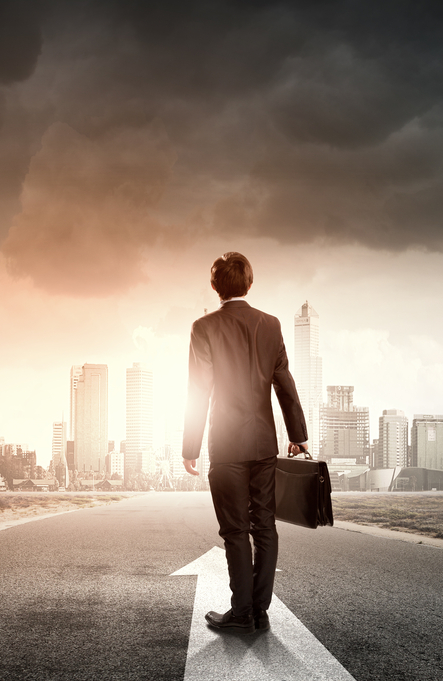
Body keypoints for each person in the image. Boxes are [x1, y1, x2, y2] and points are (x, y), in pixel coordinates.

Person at [182, 252, 308, 635]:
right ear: (249, 284)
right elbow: (283, 381)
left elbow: (198, 390)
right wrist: (297, 435)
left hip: (225, 444)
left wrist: (191, 447)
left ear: (215, 286)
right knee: (265, 527)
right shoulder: (270, 325)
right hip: (263, 444)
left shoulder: (204, 327)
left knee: (235, 530)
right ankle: (261, 612)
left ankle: (241, 613)